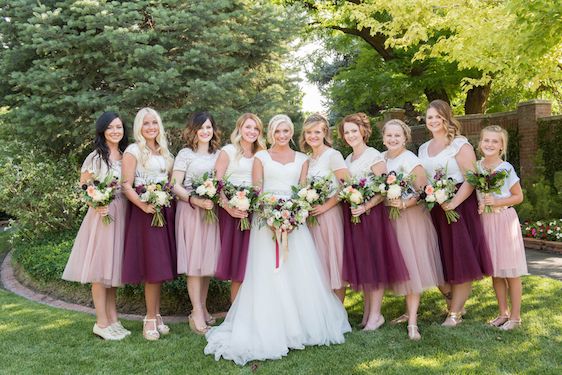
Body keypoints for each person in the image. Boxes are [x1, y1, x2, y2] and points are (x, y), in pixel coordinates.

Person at [204, 114, 351, 366]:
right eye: (277, 131)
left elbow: (303, 192)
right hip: (265, 223)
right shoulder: (260, 158)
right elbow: (258, 190)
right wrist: (271, 216)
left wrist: (292, 216)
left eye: (286, 131)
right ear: (270, 133)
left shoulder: (302, 159)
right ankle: (268, 325)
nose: (281, 135)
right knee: (267, 274)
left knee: (297, 273)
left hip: (295, 224)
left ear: (291, 132)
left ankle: (301, 325)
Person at [418, 100, 493, 327]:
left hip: (459, 206)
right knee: (439, 258)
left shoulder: (460, 144)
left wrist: (453, 203)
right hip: (435, 207)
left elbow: (471, 179)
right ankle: (453, 299)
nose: (433, 121)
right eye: (429, 117)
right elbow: (424, 179)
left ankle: (455, 314)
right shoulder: (423, 148)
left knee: (460, 257)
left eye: (437, 117)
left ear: (446, 118)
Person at [339, 113, 410, 331]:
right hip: (354, 216)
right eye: (347, 131)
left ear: (363, 131)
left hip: (372, 217)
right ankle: (368, 313)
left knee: (374, 263)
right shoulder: (347, 159)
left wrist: (366, 206)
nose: (351, 135)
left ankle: (376, 315)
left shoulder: (374, 156)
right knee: (364, 263)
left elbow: (386, 188)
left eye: (354, 130)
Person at [63, 112, 130, 340]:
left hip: (122, 214)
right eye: (110, 127)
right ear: (102, 131)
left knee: (112, 270)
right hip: (102, 216)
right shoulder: (95, 157)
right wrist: (96, 202)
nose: (115, 131)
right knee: (100, 271)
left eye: (119, 127)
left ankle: (113, 318)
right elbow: (85, 187)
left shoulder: (125, 155)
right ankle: (101, 322)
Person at [381, 119, 445, 340]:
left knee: (412, 265)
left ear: (405, 137)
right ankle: (406, 311)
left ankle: (413, 323)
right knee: (401, 264)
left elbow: (423, 192)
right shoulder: (381, 158)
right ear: (383, 137)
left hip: (410, 219)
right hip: (390, 219)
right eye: (389, 135)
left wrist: (404, 204)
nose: (393, 139)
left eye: (397, 136)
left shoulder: (411, 160)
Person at [121, 107, 176, 340]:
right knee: (152, 267)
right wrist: (144, 205)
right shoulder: (134, 150)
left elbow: (170, 181)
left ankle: (157, 314)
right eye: (146, 123)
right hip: (145, 214)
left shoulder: (163, 150)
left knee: (161, 265)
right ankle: (149, 318)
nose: (151, 127)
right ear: (139, 127)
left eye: (154, 122)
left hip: (164, 212)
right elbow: (126, 185)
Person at [173, 111, 221, 334]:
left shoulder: (218, 154)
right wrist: (195, 200)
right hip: (191, 210)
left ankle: (202, 307)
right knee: (194, 263)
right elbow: (175, 185)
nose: (205, 131)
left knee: (207, 262)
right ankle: (196, 312)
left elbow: (222, 183)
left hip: (211, 211)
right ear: (193, 130)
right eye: (201, 127)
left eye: (209, 127)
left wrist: (211, 199)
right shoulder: (185, 154)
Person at [477, 125, 527, 330]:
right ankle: (502, 313)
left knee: (510, 271)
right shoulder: (477, 167)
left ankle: (515, 317)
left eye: (494, 141)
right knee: (496, 270)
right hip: (486, 221)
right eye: (486, 140)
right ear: (480, 143)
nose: (489, 144)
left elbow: (518, 196)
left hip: (504, 220)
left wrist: (495, 202)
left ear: (501, 146)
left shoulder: (506, 168)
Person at [215, 113, 266, 302]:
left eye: (256, 128)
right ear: (239, 128)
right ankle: (235, 310)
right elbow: (217, 184)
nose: (252, 131)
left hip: (254, 212)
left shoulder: (262, 154)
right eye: (248, 127)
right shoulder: (228, 151)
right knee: (237, 264)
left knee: (253, 261)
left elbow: (261, 184)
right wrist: (228, 207)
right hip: (231, 212)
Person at [299, 113, 349, 301]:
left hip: (329, 214)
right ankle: (323, 308)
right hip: (312, 216)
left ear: (325, 132)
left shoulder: (333, 155)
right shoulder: (307, 159)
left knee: (333, 258)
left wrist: (325, 206)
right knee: (317, 261)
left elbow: (347, 185)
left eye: (317, 132)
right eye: (309, 132)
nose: (313, 136)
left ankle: (339, 310)